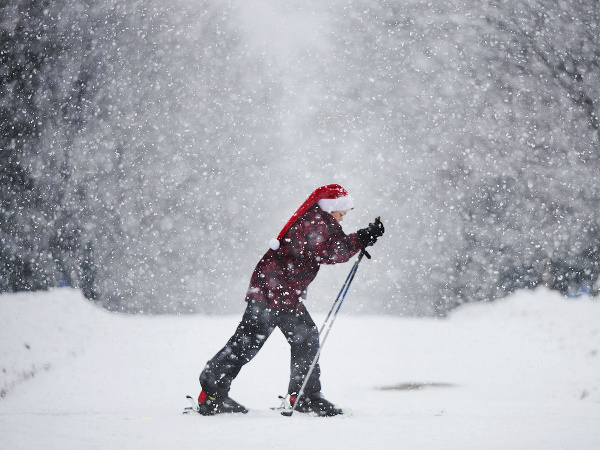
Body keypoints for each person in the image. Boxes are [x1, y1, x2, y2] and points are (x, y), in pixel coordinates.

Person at [197, 184, 384, 416]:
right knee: (250, 342)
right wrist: (360, 238)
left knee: (298, 338)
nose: (342, 219)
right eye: (341, 213)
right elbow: (327, 251)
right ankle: (216, 391)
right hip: (274, 291)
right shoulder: (315, 222)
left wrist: (362, 237)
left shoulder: (319, 221)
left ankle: (302, 395)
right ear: (331, 208)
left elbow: (334, 246)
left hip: (281, 291)